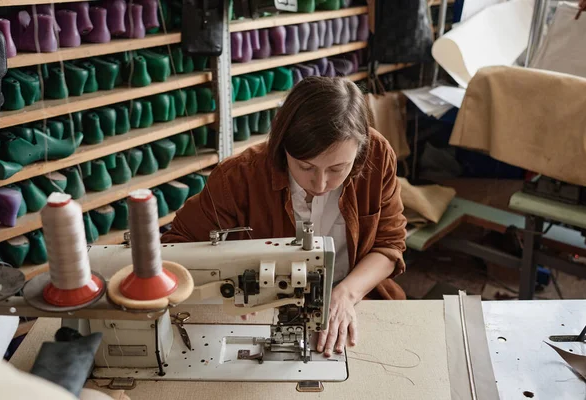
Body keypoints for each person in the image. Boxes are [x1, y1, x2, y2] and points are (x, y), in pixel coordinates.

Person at [161, 76, 407, 357]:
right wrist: (230, 289)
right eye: (305, 166)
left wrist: (346, 294)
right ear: (283, 145)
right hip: (260, 309)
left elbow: (390, 245)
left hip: (356, 297)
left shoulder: (378, 156)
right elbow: (177, 248)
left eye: (338, 169)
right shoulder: (238, 178)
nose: (319, 184)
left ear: (360, 151)